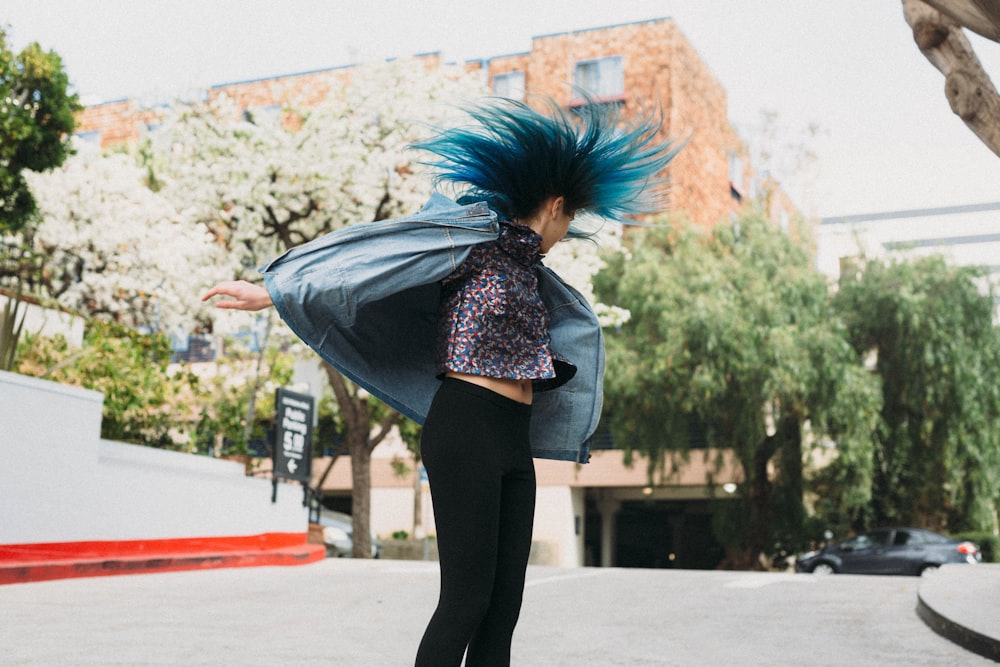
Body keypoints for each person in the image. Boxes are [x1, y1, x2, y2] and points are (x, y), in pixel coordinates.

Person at [202, 96, 676, 666]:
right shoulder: (466, 241)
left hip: (511, 439)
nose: (567, 232)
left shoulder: (533, 273)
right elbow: (373, 261)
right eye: (570, 219)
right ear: (554, 206)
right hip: (466, 427)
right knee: (465, 601)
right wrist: (275, 291)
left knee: (503, 610)